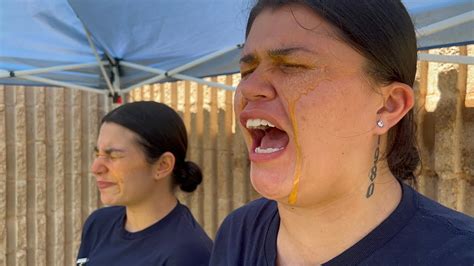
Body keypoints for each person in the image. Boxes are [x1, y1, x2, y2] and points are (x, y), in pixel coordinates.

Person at [210, 0, 474, 265]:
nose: (248, 88)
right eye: (247, 71)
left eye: (292, 65)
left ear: (388, 106)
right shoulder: (238, 234)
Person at [77, 101, 212, 266]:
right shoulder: (98, 225)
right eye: (98, 154)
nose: (96, 168)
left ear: (163, 165)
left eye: (113, 156)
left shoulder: (189, 254)